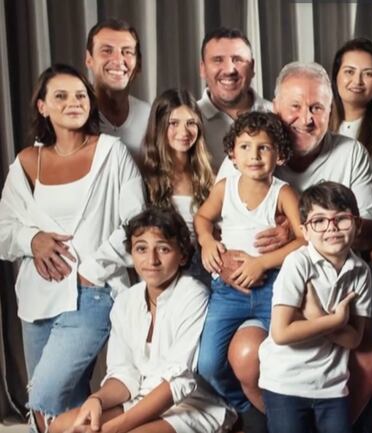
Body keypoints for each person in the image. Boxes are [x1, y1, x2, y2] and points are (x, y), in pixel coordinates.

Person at [220, 62, 372, 432]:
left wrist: (300, 235)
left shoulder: (349, 152)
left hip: (338, 276)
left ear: (331, 111)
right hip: (266, 285)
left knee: (369, 360)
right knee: (245, 357)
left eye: (317, 108)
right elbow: (220, 222)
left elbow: (370, 228)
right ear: (273, 105)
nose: (305, 119)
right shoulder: (251, 146)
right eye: (294, 106)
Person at [0, 64, 144, 432]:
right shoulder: (27, 162)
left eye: (80, 95)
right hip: (37, 300)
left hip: (92, 294)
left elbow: (136, 224)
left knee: (44, 397)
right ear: (42, 106)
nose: (73, 102)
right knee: (70, 404)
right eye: (60, 96)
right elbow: (4, 230)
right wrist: (32, 240)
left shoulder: (112, 153)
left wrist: (91, 271)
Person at [49, 207, 235, 433]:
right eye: (141, 249)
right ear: (131, 254)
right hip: (139, 399)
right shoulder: (125, 301)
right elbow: (124, 375)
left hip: (190, 405)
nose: (152, 260)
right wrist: (96, 400)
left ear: (183, 255)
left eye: (163, 249)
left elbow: (179, 383)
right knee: (61, 426)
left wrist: (112, 429)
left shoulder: (193, 294)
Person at [194, 111, 305, 424]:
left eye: (264, 148)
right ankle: (245, 411)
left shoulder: (282, 193)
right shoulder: (224, 188)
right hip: (228, 293)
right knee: (209, 365)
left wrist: (263, 262)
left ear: (280, 154)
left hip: (274, 288)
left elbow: (305, 238)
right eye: (244, 147)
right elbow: (202, 218)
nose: (253, 155)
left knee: (281, 360)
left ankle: (287, 417)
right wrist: (206, 241)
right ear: (231, 153)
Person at [260, 182, 372, 433]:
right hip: (285, 382)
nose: (331, 228)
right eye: (319, 221)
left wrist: (315, 316)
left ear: (358, 224)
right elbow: (281, 333)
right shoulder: (297, 263)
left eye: (341, 219)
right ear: (305, 231)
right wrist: (333, 321)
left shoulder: (360, 272)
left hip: (331, 385)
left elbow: (354, 340)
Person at [141, 88, 215, 283]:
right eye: (173, 123)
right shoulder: (145, 177)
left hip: (203, 265)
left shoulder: (206, 176)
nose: (184, 132)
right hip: (163, 268)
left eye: (191, 123)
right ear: (159, 126)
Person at [198, 27, 272, 169]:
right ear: (203, 68)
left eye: (238, 60)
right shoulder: (188, 122)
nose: (229, 70)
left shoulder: (277, 115)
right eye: (218, 60)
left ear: (252, 67)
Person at [85, 19, 151, 163]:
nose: (118, 60)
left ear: (138, 64)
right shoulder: (74, 116)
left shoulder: (150, 117)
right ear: (89, 59)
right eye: (107, 51)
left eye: (127, 52)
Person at [330, 38, 372, 162]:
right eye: (349, 72)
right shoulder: (320, 124)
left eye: (368, 74)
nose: (357, 81)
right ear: (335, 76)